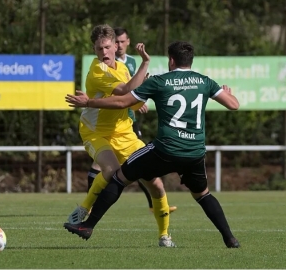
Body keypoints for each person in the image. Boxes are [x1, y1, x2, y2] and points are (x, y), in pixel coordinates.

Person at [64, 41, 240, 248]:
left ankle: (88, 226)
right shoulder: (204, 81)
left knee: (120, 177)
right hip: (194, 152)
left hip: (164, 150)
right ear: (190, 61)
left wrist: (88, 103)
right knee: (203, 195)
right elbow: (234, 105)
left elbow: (122, 102)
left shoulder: (160, 81)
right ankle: (230, 238)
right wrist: (227, 92)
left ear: (171, 61)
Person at [65, 24, 174, 247]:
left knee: (156, 183)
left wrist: (137, 104)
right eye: (98, 49)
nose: (103, 53)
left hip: (125, 134)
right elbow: (125, 92)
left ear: (116, 46)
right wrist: (145, 64)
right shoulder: (97, 71)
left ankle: (164, 236)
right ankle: (83, 209)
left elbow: (130, 99)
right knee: (111, 168)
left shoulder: (123, 69)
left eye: (106, 47)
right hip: (95, 132)